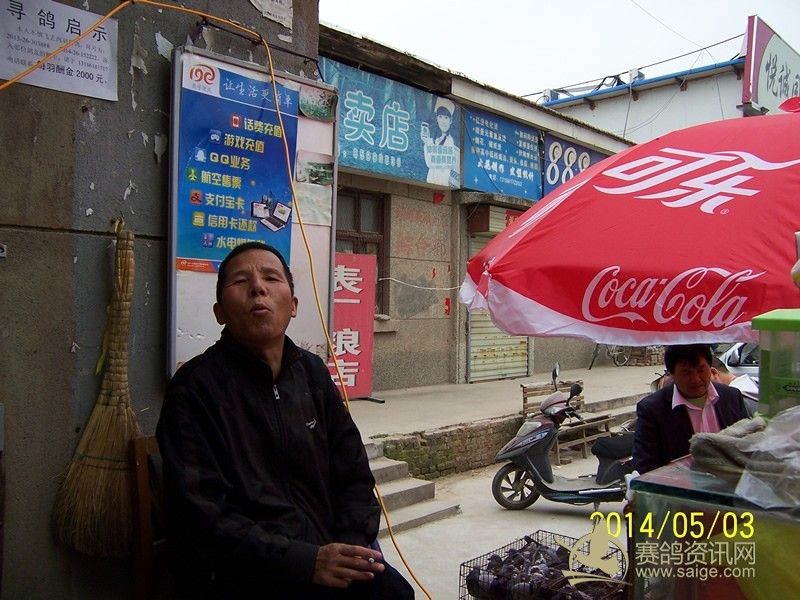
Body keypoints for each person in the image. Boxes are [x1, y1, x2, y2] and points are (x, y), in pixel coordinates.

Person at [156, 242, 414, 599]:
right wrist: (306, 562)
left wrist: (351, 544)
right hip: (249, 571)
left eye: (271, 278)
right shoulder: (195, 390)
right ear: (220, 312)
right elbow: (203, 515)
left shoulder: (311, 373)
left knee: (394, 593)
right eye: (241, 280)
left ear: (293, 305)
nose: (257, 287)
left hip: (327, 551)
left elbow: (353, 472)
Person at [633, 344, 749, 474]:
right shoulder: (652, 409)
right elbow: (646, 466)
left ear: (711, 368)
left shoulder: (731, 397)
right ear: (672, 374)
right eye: (686, 373)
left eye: (701, 370)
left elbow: (746, 445)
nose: (695, 379)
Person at [421, 97, 459, 186]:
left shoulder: (449, 141)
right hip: (430, 182)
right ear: (437, 119)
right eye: (440, 117)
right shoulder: (436, 139)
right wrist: (427, 141)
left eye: (446, 117)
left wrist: (427, 143)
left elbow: (430, 163)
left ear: (451, 121)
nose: (443, 121)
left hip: (441, 184)